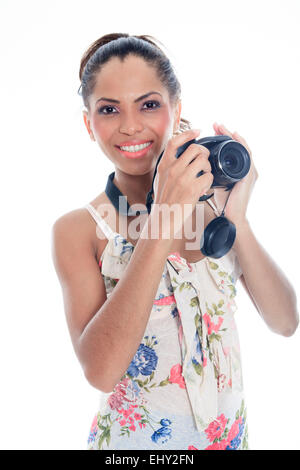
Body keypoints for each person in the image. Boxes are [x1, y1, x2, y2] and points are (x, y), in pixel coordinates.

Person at [51, 33, 299, 451]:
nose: (130, 125)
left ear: (177, 109)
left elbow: (286, 321)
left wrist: (235, 217)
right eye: (109, 109)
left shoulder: (211, 204)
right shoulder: (79, 230)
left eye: (149, 104)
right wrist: (163, 219)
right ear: (88, 124)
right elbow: (102, 371)